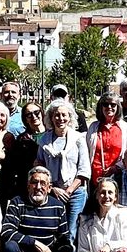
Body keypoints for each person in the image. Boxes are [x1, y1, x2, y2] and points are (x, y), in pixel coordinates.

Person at [37, 98, 91, 244]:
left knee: (72, 230)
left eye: (64, 115)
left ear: (70, 117)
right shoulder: (44, 140)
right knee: (54, 230)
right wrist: (53, 189)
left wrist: (68, 191)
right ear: (51, 117)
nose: (60, 118)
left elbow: (84, 170)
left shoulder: (79, 138)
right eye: (56, 115)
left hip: (76, 192)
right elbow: (39, 167)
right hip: (53, 192)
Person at [0, 103, 45, 208]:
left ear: (42, 113)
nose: (34, 116)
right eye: (29, 115)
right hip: (28, 186)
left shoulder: (51, 135)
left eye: (36, 112)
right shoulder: (22, 140)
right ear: (25, 119)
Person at [87, 93, 127, 182]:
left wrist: (116, 167)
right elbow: (87, 152)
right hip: (95, 179)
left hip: (118, 178)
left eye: (113, 105)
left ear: (118, 107)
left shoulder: (126, 128)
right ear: (101, 107)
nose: (109, 107)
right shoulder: (93, 127)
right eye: (105, 104)